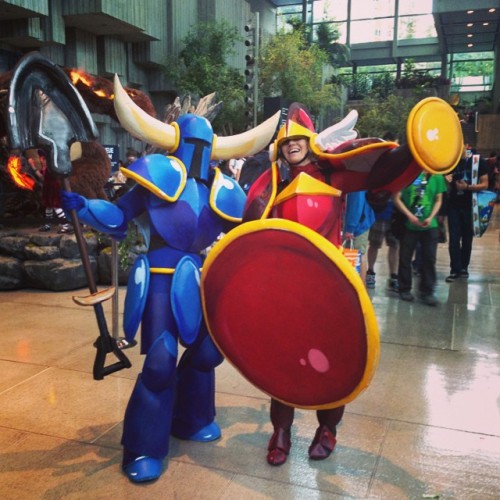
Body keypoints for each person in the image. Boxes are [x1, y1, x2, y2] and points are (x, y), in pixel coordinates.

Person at [61, 76, 280, 483]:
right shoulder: (156, 175)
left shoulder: (223, 188)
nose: (197, 151)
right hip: (161, 282)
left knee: (207, 355)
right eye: (191, 142)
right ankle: (143, 446)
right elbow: (119, 217)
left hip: (201, 279)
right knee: (160, 364)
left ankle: (192, 418)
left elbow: (239, 237)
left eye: (204, 145)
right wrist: (87, 206)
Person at [235, 101, 463, 466]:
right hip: (285, 289)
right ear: (279, 146)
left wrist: (418, 145)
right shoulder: (272, 183)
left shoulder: (332, 176)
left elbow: (382, 171)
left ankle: (328, 429)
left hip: (328, 288)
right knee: (281, 360)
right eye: (286, 140)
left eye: (298, 138)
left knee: (333, 360)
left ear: (310, 140)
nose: (292, 143)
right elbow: (248, 232)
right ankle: (281, 431)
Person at [393, 172, 447, 305]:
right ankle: (404, 288)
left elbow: (439, 199)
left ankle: (427, 291)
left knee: (429, 258)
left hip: (430, 226)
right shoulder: (407, 174)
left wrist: (431, 216)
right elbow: (396, 197)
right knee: (405, 257)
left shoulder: (437, 176)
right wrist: (409, 215)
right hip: (409, 225)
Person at [444, 148, 489, 282]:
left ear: (465, 145)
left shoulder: (477, 161)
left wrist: (467, 187)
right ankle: (455, 270)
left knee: (467, 239)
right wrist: (447, 180)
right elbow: (447, 186)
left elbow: (485, 184)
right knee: (454, 239)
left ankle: (464, 267)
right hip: (453, 206)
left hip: (471, 206)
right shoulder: (450, 162)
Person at [365, 197, 399, 292]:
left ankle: (393, 277)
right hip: (378, 214)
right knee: (374, 245)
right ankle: (370, 272)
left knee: (394, 246)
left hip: (395, 216)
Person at [343, 190, 375, 286]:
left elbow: (356, 202)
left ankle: (358, 290)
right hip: (361, 221)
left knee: (357, 255)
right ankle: (358, 289)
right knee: (359, 255)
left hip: (358, 225)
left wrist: (350, 228)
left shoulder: (356, 180)